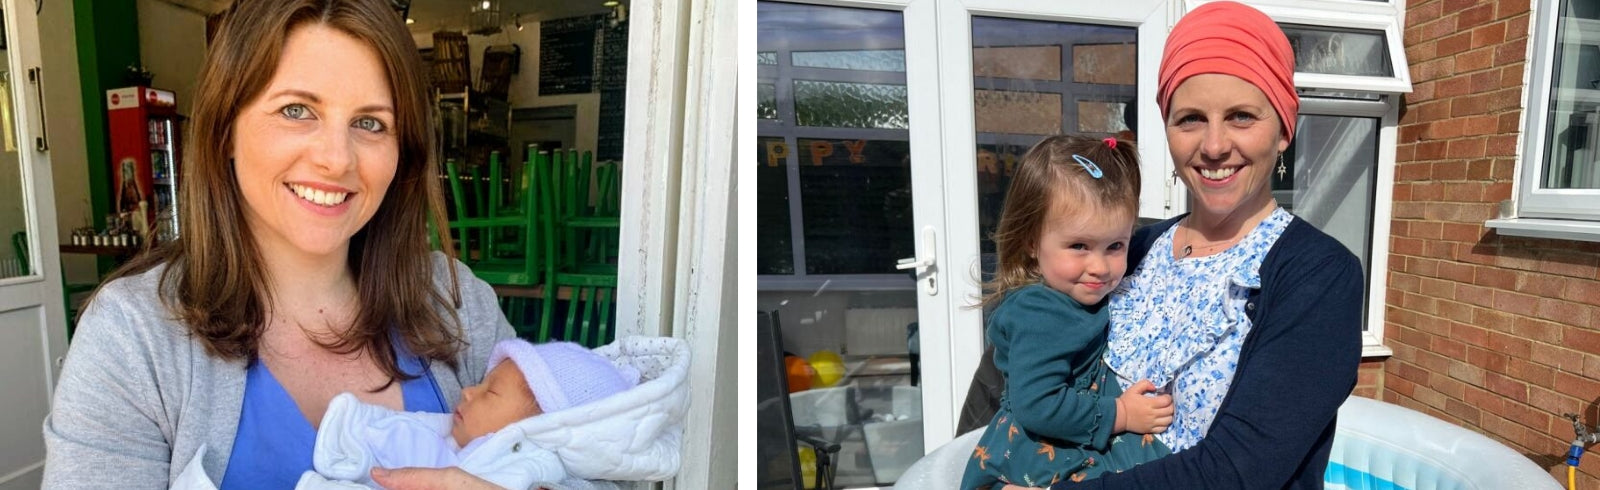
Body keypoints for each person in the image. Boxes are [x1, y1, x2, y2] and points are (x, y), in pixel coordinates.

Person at [40, 1, 611, 489]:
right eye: (297, 110)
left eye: (371, 123)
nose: (337, 159)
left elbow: (592, 457)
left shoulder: (456, 302)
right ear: (225, 131)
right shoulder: (134, 337)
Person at [982, 2, 1363, 488]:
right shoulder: (1131, 250)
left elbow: (1240, 472)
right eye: (1190, 119)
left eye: (1241, 116)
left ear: (1285, 128)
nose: (1214, 145)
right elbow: (1018, 369)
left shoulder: (1318, 275)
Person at [960, 135, 1173, 490]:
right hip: (1040, 458)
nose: (1100, 267)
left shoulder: (1077, 297)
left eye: (1115, 245)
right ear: (1032, 242)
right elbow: (1038, 404)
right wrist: (1121, 414)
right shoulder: (1039, 313)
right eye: (1079, 246)